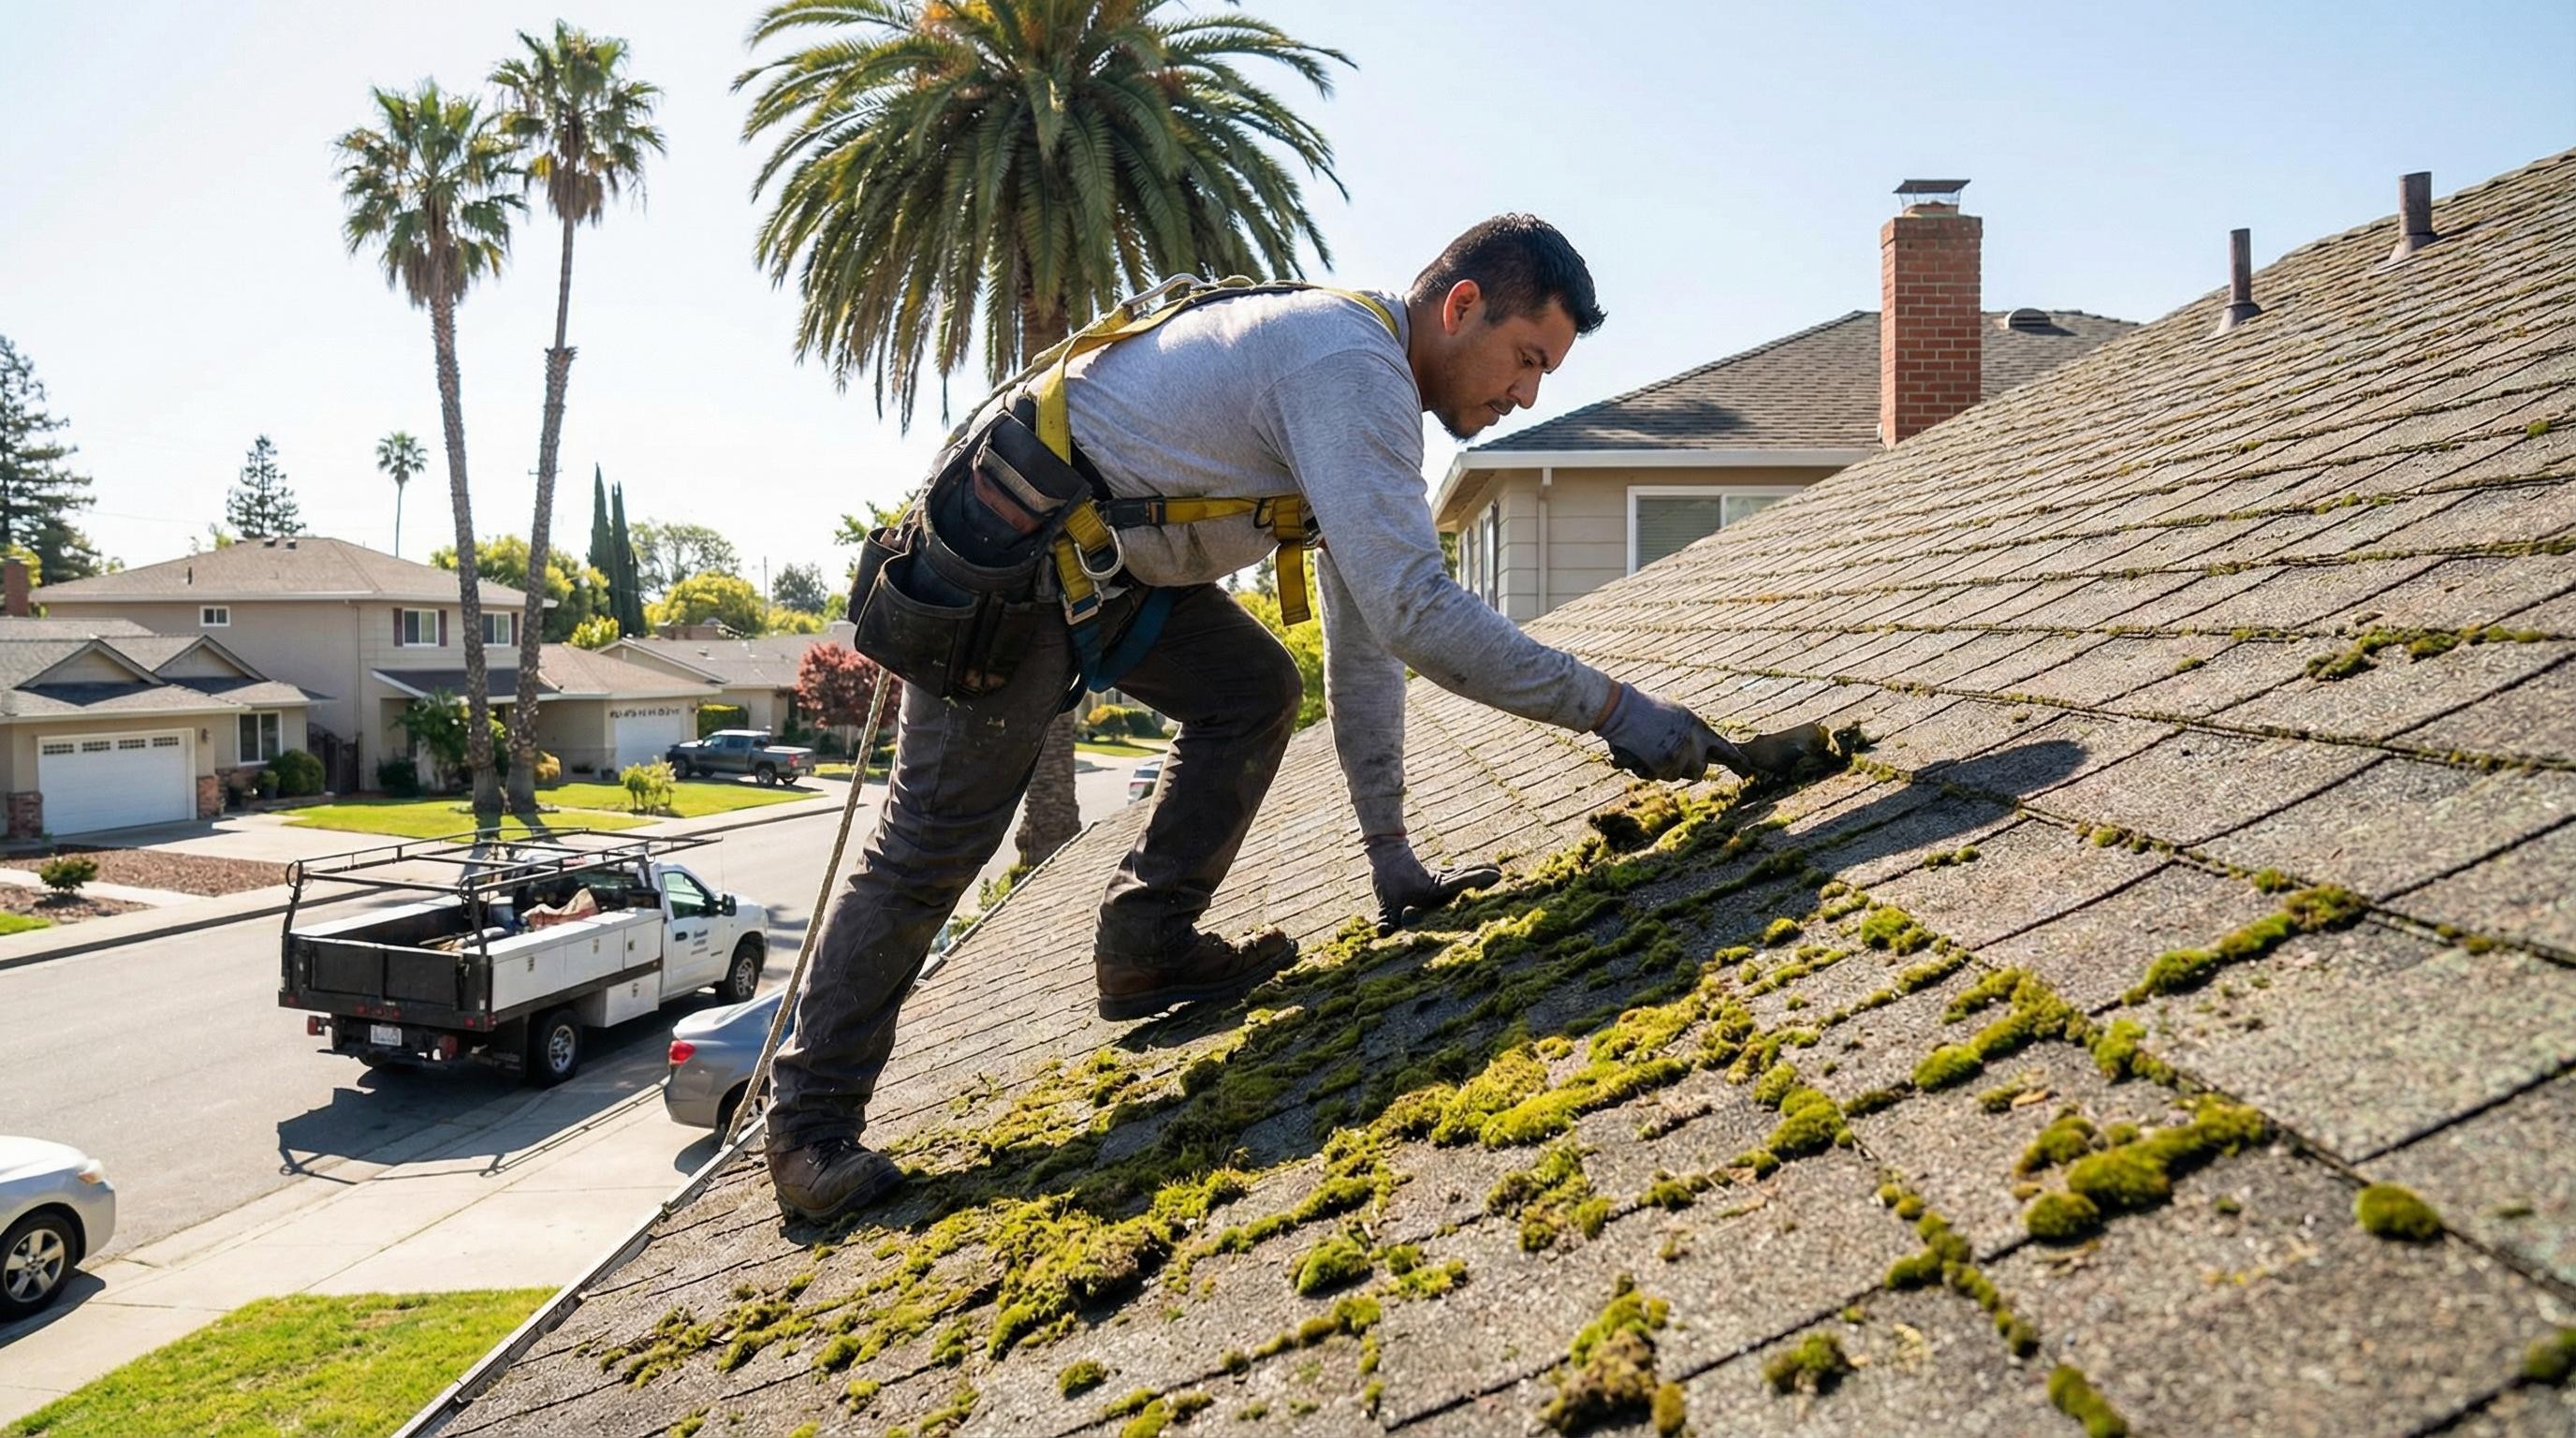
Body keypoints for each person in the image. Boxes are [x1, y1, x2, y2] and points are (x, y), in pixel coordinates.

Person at [767, 215, 1763, 1222]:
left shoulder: (1359, 389)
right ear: (1462, 307)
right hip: (1003, 563)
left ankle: (1146, 938)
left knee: (1253, 690)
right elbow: (1419, 613)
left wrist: (1390, 855)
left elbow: (1370, 627)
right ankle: (808, 1133)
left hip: (1099, 575)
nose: (1526, 396)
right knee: (931, 847)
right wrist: (1618, 712)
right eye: (1526, 359)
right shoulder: (1348, 366)